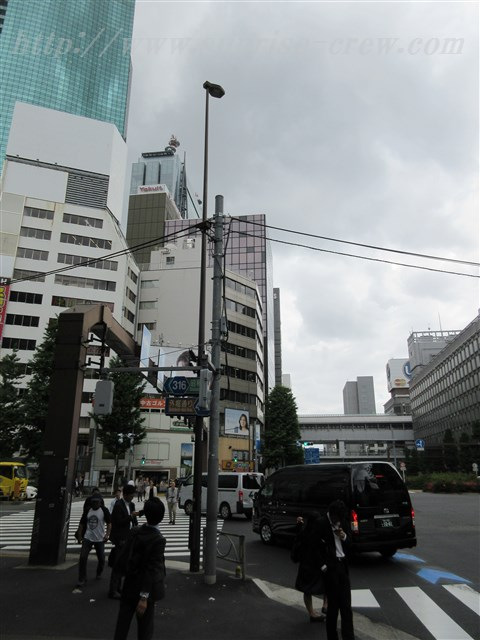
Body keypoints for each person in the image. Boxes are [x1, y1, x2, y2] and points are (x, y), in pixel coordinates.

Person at [113, 497, 166, 640]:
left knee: (121, 627)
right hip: (145, 591)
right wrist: (144, 597)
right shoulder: (158, 540)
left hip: (129, 584)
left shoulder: (135, 531)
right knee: (145, 631)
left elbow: (125, 556)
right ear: (161, 517)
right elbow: (151, 569)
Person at [319, 500, 355, 640]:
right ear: (332, 515)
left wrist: (344, 536)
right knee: (333, 608)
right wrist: (323, 566)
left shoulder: (342, 521)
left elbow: (351, 543)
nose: (338, 522)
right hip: (330, 568)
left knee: (346, 607)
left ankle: (348, 637)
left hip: (343, 566)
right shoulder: (322, 523)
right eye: (337, 519)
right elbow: (314, 547)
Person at [292, 511, 327, 622]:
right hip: (317, 565)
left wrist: (299, 525)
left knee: (307, 590)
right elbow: (320, 550)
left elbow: (298, 538)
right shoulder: (318, 534)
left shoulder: (304, 532)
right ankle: (325, 605)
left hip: (305, 566)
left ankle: (312, 613)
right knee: (328, 583)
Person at [109, 483, 139, 599]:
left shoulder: (131, 505)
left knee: (123, 564)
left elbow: (133, 520)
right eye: (131, 495)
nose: (133, 497)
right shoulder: (118, 505)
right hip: (120, 539)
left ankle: (118, 587)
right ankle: (113, 590)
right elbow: (118, 522)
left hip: (128, 538)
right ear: (125, 494)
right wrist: (131, 516)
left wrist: (135, 521)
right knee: (118, 564)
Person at [76, 493, 111, 588]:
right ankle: (82, 578)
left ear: (100, 502)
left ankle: (99, 572)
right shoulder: (88, 510)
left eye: (97, 502)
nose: (95, 503)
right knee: (82, 557)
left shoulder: (104, 510)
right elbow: (82, 524)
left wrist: (107, 535)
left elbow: (109, 523)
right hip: (87, 538)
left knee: (102, 559)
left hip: (99, 539)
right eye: (93, 502)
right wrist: (79, 535)